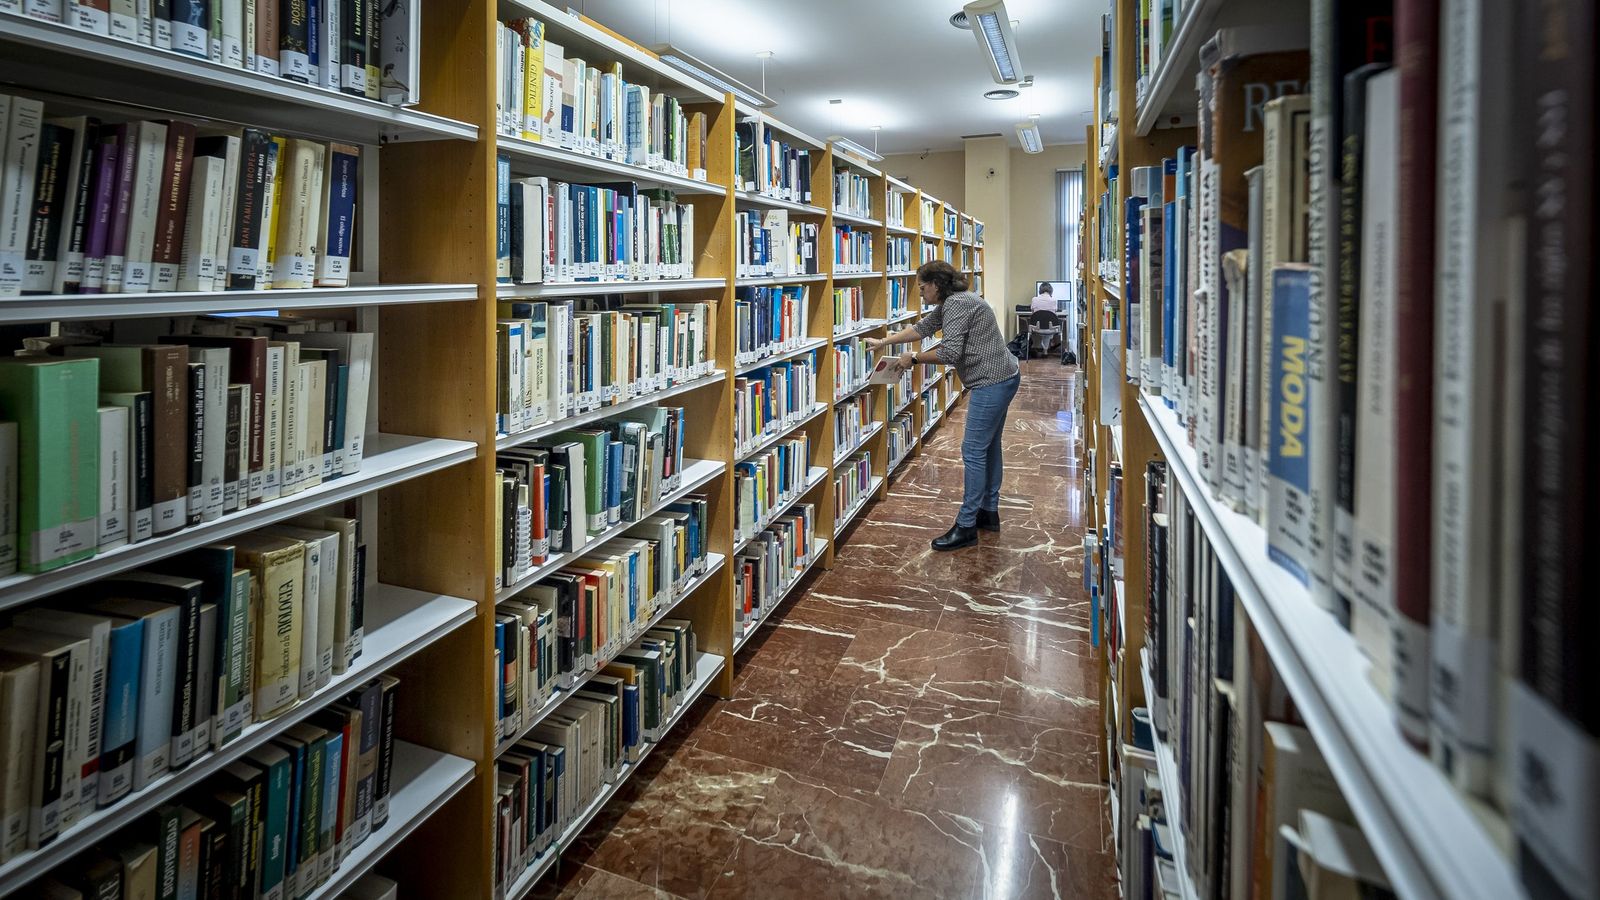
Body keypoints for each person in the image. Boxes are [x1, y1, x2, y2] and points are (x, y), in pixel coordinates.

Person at [867, 260, 1022, 551]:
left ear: (937, 284)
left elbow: (950, 352)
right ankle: (989, 512)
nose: (921, 294)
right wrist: (885, 342)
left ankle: (966, 526)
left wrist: (911, 359)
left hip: (992, 381)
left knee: (973, 451)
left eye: (923, 288)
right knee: (989, 447)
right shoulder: (956, 301)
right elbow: (924, 327)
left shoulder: (957, 305)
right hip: (1003, 376)